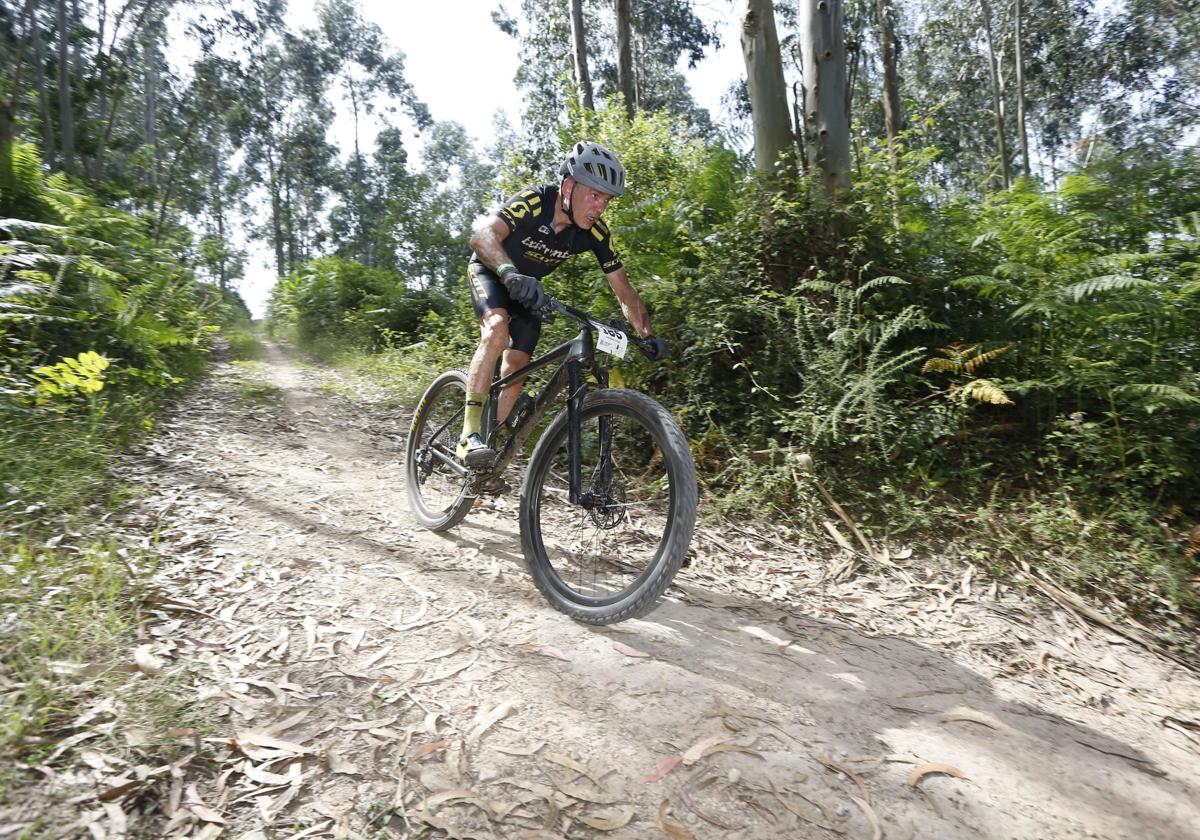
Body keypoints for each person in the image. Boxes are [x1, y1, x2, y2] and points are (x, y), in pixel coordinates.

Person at [457, 140, 669, 466]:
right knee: (497, 330)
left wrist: (646, 333)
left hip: (529, 292)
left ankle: (488, 448)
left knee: (517, 366)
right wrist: (509, 273)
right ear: (568, 186)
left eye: (607, 200)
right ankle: (468, 435)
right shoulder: (535, 201)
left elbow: (624, 291)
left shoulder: (595, 233)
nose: (600, 207)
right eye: (594, 195)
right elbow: (482, 236)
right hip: (491, 271)